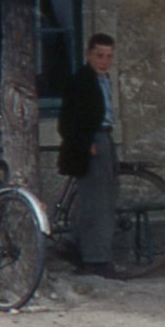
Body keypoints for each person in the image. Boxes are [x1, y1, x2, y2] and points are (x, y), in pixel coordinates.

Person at [57, 33, 120, 278]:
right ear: (88, 55)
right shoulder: (81, 81)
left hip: (104, 136)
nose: (104, 61)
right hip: (93, 141)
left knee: (104, 197)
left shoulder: (104, 80)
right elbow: (68, 119)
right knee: (97, 202)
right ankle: (96, 258)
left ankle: (74, 243)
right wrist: (86, 142)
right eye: (99, 56)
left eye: (108, 57)